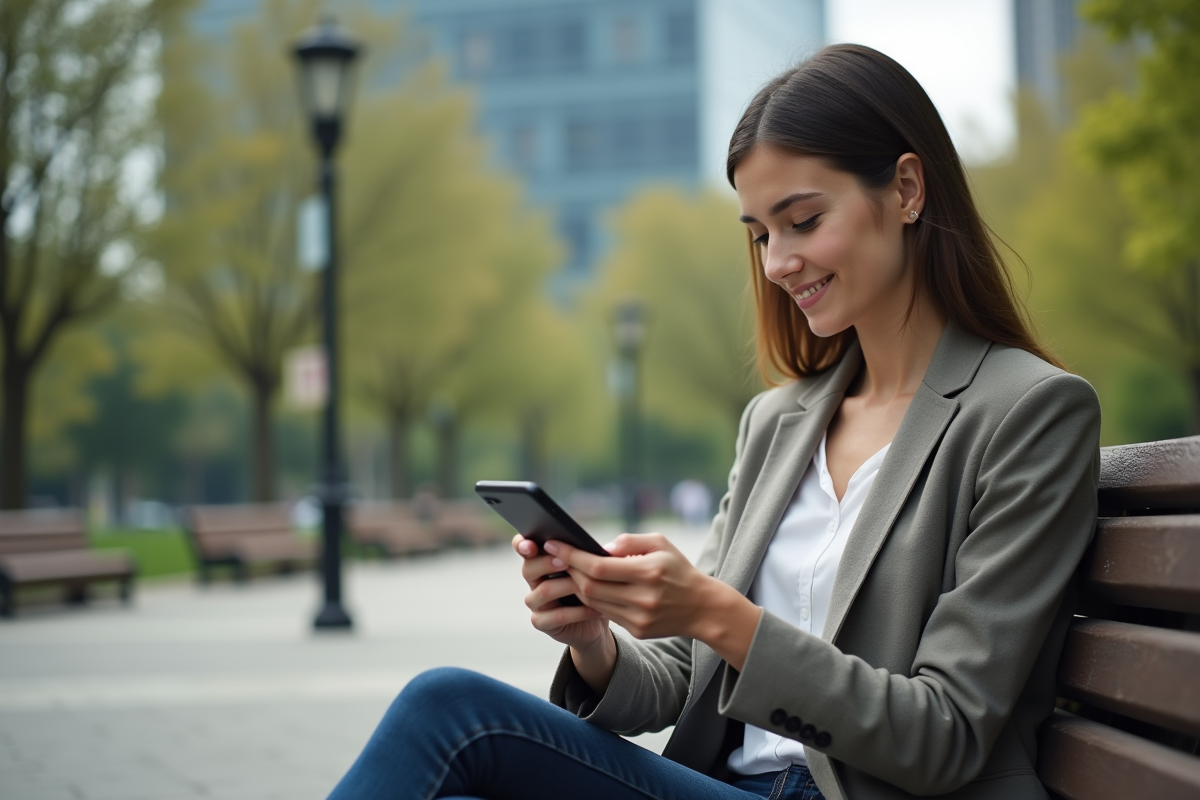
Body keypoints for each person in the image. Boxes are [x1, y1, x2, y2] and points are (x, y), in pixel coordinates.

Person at [326, 44, 1100, 800]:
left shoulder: (1028, 414)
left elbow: (944, 734)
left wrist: (718, 613)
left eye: (801, 220)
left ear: (905, 189)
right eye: (761, 234)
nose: (775, 264)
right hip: (730, 781)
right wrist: (594, 639)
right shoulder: (780, 423)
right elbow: (678, 678)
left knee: (450, 715)